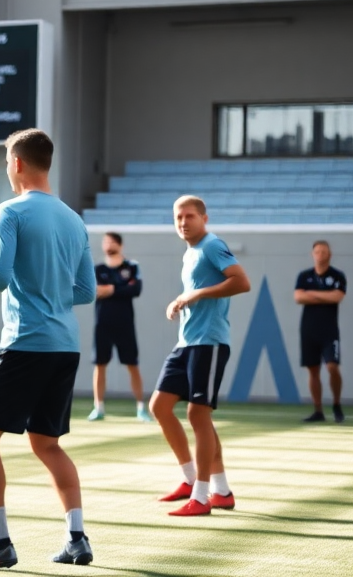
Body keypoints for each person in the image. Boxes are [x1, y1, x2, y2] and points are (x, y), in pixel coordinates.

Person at [0, 129, 96, 571]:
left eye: (5, 161)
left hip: (24, 343)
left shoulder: (10, 211)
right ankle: (77, 538)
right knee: (47, 443)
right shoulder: (75, 220)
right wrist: (51, 292)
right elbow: (86, 290)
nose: (6, 168)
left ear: (17, 163)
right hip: (64, 346)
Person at [150, 195, 251, 517]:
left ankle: (203, 496)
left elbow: (241, 281)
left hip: (210, 343)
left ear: (204, 218)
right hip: (187, 343)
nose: (183, 222)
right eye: (178, 217)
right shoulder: (191, 252)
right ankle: (204, 485)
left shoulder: (211, 246)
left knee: (197, 414)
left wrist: (196, 294)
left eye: (189, 216)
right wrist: (180, 300)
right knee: (160, 407)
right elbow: (197, 290)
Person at [88, 232, 151, 423]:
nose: (108, 244)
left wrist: (112, 289)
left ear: (120, 245)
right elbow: (95, 291)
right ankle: (98, 408)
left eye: (112, 241)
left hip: (125, 324)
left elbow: (135, 289)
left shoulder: (131, 267)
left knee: (132, 364)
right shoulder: (97, 269)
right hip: (102, 323)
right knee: (100, 365)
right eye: (106, 241)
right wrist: (119, 289)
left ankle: (141, 408)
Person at [295, 240, 346, 423]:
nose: (320, 255)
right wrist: (324, 296)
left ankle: (337, 404)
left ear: (329, 254)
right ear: (312, 254)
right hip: (308, 329)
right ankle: (318, 410)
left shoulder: (337, 276)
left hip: (329, 330)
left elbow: (337, 296)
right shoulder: (304, 276)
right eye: (317, 252)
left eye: (324, 252)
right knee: (313, 370)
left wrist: (313, 295)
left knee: (332, 367)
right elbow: (299, 297)